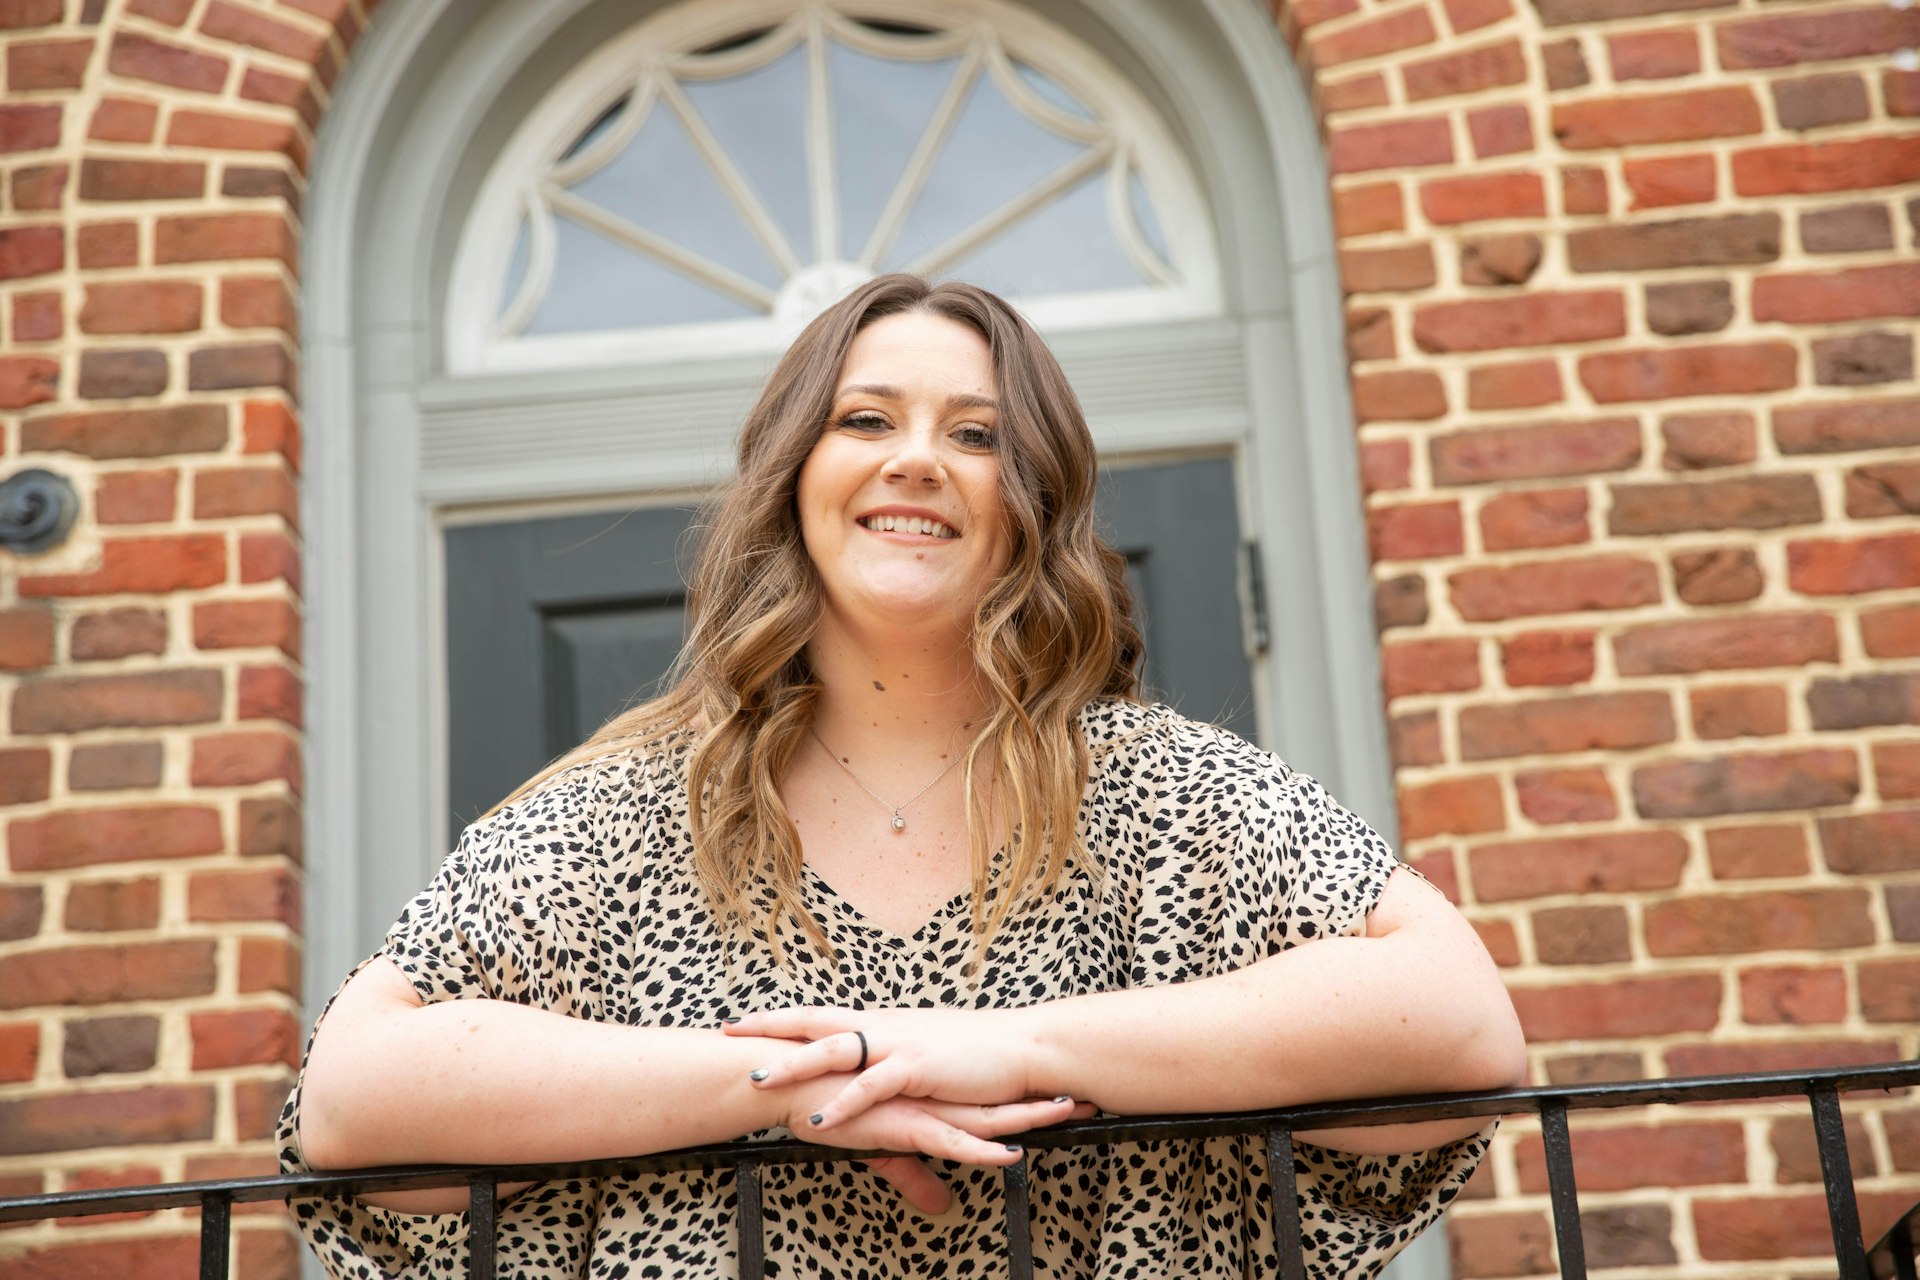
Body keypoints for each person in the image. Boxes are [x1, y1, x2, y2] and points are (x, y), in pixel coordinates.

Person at [280, 274, 1526, 1278]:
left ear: (1028, 500)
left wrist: (1006, 1044)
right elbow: (352, 1092)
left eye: (976, 435)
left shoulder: (1164, 793)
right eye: (866, 419)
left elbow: (1459, 1017)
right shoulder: (625, 813)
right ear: (792, 477)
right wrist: (793, 1085)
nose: (917, 459)